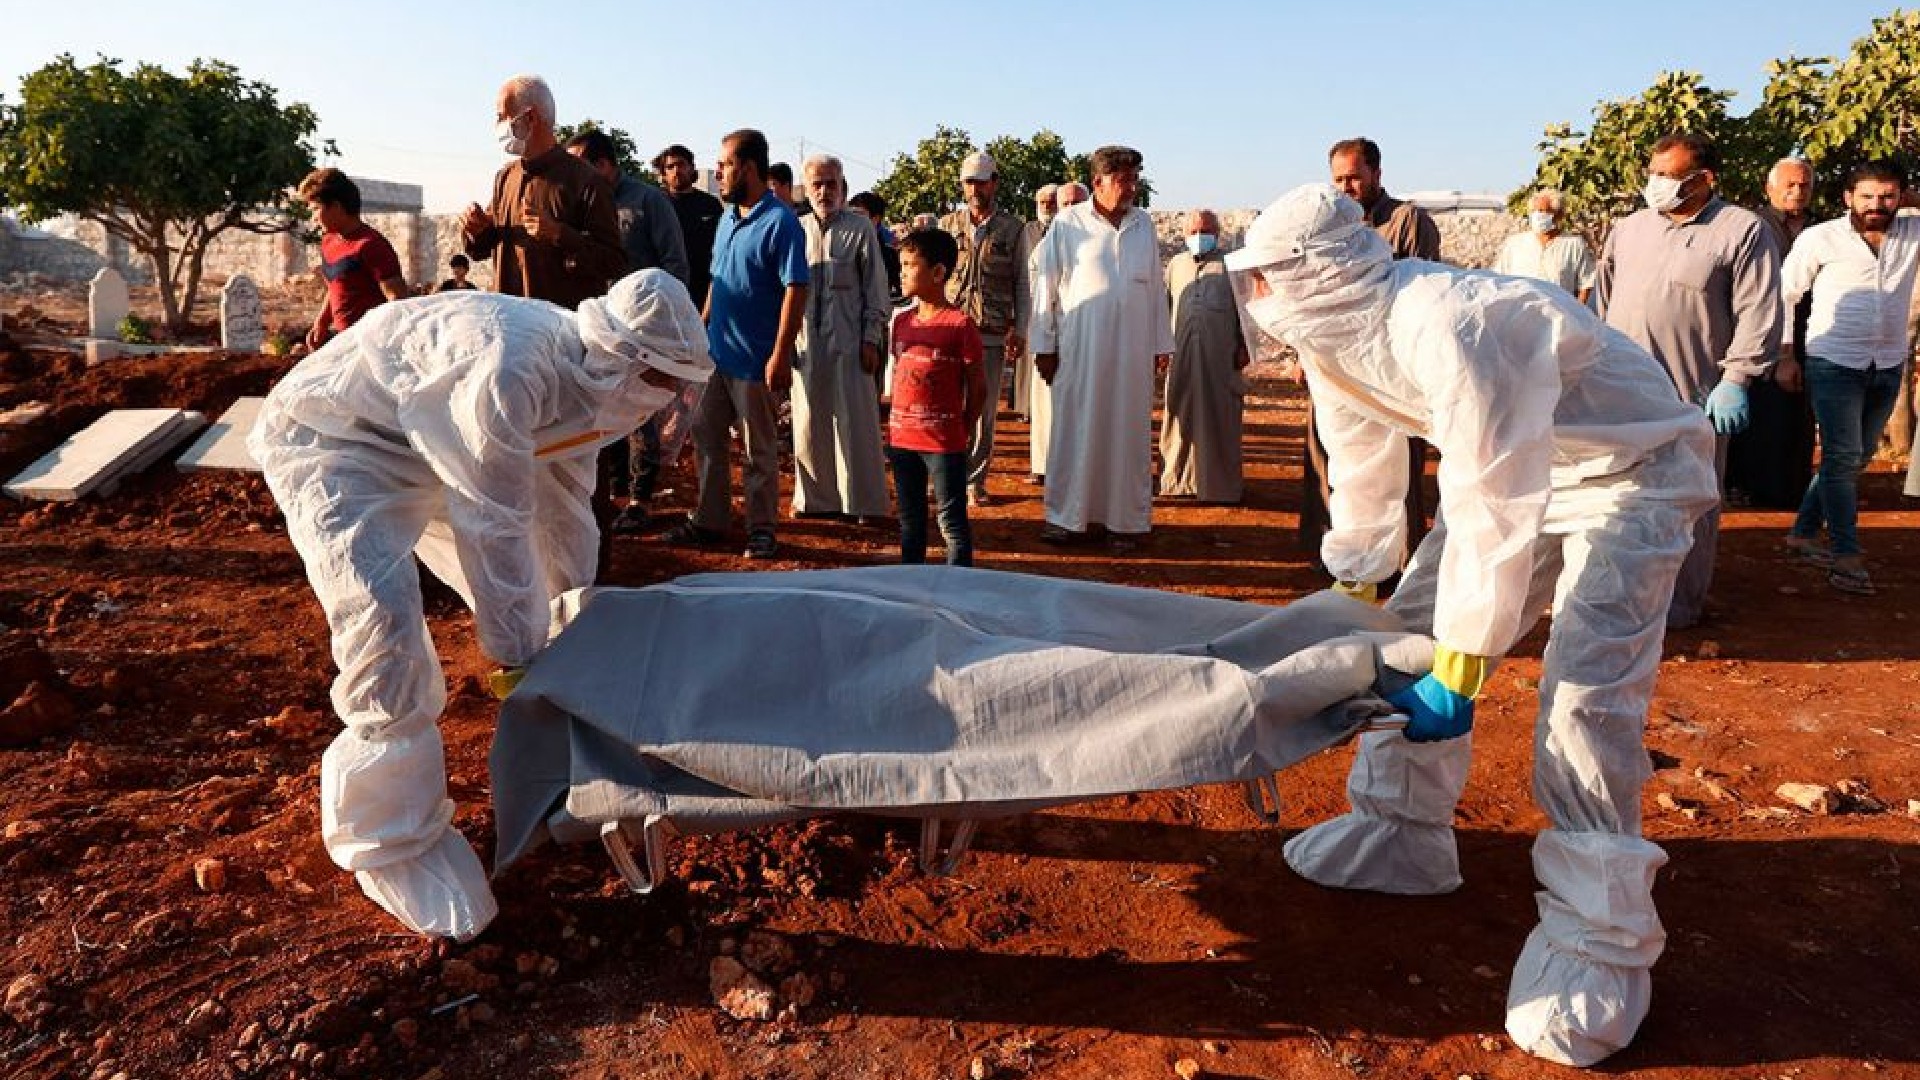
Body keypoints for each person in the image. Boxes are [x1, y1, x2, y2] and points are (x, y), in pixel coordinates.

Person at [1227, 183, 1716, 1067]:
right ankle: (1401, 831)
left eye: (1270, 279)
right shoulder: (1336, 336)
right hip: (1532, 469)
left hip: (1631, 470)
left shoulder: (1449, 322)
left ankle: (1601, 942)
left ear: (1320, 272)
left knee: (1584, 693)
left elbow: (1493, 491)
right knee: (1412, 625)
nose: (1260, 301)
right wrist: (1367, 582)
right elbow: (1363, 453)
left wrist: (1463, 668)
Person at [248, 269, 712, 941]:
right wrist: (523, 664)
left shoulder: (589, 388)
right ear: (627, 363)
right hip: (335, 441)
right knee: (384, 632)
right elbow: (491, 524)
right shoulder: (509, 374)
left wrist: (570, 630)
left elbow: (563, 512)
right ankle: (388, 844)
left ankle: (566, 782)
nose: (671, 401)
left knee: (543, 601)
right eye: (666, 383)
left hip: (432, 442)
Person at [1597, 133, 1782, 628]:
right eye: (1654, 173)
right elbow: (1604, 300)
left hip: (1694, 394)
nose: (1657, 185)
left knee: (1689, 501)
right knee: (1621, 495)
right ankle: (1619, 595)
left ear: (1706, 179)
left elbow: (1758, 310)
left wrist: (1738, 377)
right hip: (1624, 392)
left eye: (1671, 176)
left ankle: (1678, 606)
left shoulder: (1742, 230)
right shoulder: (1630, 229)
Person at [663, 128, 809, 560]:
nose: (720, 173)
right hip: (715, 355)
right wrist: (699, 330)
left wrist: (780, 354)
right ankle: (709, 520)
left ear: (747, 167)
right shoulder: (727, 218)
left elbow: (796, 288)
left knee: (758, 451)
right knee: (708, 441)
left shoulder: (780, 222)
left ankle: (761, 529)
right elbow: (718, 280)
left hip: (755, 360)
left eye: (725, 165)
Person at [1778, 160, 1920, 596]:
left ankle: (1802, 533)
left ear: (1900, 197)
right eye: (1867, 197)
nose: (1877, 205)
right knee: (1842, 458)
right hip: (1833, 360)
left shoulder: (1912, 232)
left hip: (1888, 360)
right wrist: (1785, 355)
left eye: (1888, 196)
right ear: (1847, 199)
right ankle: (1846, 555)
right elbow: (1785, 294)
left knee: (1853, 459)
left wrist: (1912, 200)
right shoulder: (1820, 238)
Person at [1302, 137, 1439, 574]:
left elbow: (1421, 291)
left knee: (1395, 470)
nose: (1346, 187)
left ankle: (1398, 564)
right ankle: (1340, 561)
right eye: (1338, 179)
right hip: (1335, 365)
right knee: (1331, 462)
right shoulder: (1325, 226)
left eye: (1354, 178)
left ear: (1377, 174)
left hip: (1389, 369)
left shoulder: (1407, 221)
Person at [1029, 146, 1173, 553]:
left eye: (1134, 179)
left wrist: (1161, 343)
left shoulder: (1143, 225)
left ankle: (1125, 523)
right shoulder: (1068, 224)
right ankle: (1065, 518)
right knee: (1074, 430)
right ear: (1099, 182)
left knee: (1126, 433)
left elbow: (1153, 289)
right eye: (1123, 179)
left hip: (1132, 351)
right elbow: (1047, 288)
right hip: (1080, 350)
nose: (1131, 187)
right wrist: (1044, 344)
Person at [566, 129, 691, 540]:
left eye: (581, 164)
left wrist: (659, 331)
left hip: (641, 333)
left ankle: (640, 501)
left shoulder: (647, 201)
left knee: (640, 417)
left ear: (604, 164)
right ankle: (611, 495)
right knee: (600, 412)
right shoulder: (581, 206)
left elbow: (674, 264)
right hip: (598, 329)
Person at [460, 75, 625, 311]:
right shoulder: (505, 177)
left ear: (530, 117)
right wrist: (476, 230)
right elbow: (483, 249)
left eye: (502, 117)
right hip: (511, 324)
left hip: (562, 332)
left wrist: (559, 234)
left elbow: (614, 262)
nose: (498, 125)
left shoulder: (585, 180)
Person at [791, 155, 892, 523]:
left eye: (831, 183)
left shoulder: (860, 228)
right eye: (816, 184)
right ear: (807, 187)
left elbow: (876, 290)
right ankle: (816, 501)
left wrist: (871, 339)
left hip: (851, 340)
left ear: (842, 185)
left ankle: (862, 503)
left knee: (857, 423)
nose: (824, 191)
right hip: (804, 342)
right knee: (808, 420)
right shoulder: (794, 229)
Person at [888, 227, 986, 565]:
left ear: (938, 273)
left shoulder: (960, 326)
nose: (901, 272)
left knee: (951, 524)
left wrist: (962, 428)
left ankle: (956, 595)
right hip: (903, 441)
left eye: (909, 265)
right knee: (910, 523)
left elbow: (979, 388)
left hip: (943, 443)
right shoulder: (900, 322)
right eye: (900, 264)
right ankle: (910, 592)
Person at [940, 151, 1031, 507]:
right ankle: (946, 476)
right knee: (946, 406)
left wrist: (1020, 329)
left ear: (994, 183)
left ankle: (974, 480)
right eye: (969, 181)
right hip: (949, 329)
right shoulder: (947, 226)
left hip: (990, 332)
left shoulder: (1013, 229)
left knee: (982, 410)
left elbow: (1022, 284)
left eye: (981, 181)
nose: (975, 188)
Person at [1728, 157, 1819, 510]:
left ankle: (1790, 490)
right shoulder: (1752, 226)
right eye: (1790, 185)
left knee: (1798, 415)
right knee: (1757, 413)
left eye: (1805, 185)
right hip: (1756, 329)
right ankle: (1747, 487)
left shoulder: (1818, 228)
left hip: (1808, 332)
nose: (1797, 191)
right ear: (1770, 188)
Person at [1159, 210, 1248, 504]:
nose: (1200, 238)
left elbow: (1247, 312)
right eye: (1194, 232)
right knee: (1179, 417)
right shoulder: (1176, 265)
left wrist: (1244, 347)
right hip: (1181, 355)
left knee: (1220, 417)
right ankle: (1178, 483)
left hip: (1220, 357)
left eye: (1206, 231)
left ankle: (1220, 488)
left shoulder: (1232, 266)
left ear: (1218, 233)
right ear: (1185, 235)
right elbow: (1164, 308)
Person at [297, 168, 407, 351]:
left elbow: (397, 299)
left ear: (337, 206)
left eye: (316, 209)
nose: (313, 218)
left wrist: (381, 345)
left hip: (371, 346)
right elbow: (336, 286)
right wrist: (321, 323)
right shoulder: (328, 242)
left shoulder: (371, 245)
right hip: (345, 342)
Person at [1029, 182, 1089, 481]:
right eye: (1063, 204)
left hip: (1089, 341)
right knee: (1046, 406)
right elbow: (1040, 295)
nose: (1069, 209)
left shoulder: (1100, 243)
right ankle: (1044, 465)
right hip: (1051, 337)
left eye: (1076, 202)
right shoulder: (1046, 244)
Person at [1492, 188, 1597, 304]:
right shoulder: (1514, 244)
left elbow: (1587, 283)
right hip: (1521, 316)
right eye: (1534, 211)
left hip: (1559, 316)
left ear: (1558, 215)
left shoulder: (1573, 244)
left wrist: (1577, 312)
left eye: (1543, 211)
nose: (1537, 215)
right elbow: (1498, 279)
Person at [654, 144, 724, 307]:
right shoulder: (655, 204)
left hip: (704, 290)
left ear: (692, 168)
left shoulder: (710, 204)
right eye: (670, 167)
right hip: (665, 290)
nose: (676, 170)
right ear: (663, 173)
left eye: (681, 164)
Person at [1011, 184, 1060, 420]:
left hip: (1059, 304)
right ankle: (1026, 408)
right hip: (1030, 303)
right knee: (1029, 358)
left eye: (1052, 202)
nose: (1047, 207)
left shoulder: (1065, 230)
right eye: (1043, 202)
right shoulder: (1026, 230)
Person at [850, 190, 902, 298]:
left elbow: (899, 293)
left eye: (858, 215)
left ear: (875, 219)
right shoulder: (839, 251)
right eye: (849, 215)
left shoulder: (890, 255)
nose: (852, 221)